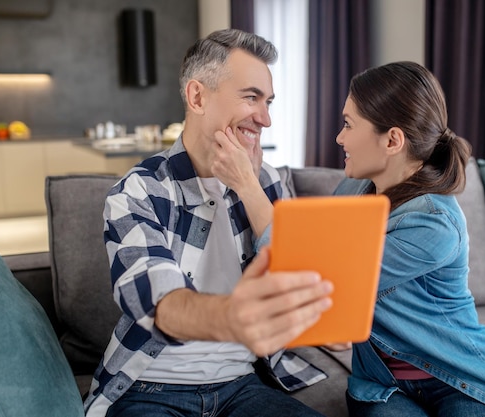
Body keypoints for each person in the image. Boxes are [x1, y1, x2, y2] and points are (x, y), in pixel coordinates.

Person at [83, 29, 334, 417]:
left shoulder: (267, 181)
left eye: (268, 102)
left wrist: (248, 186)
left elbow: (303, 274)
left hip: (242, 384)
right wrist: (230, 318)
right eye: (251, 97)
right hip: (151, 386)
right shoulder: (139, 191)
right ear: (197, 96)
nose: (265, 118)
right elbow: (157, 302)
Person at [333, 61, 485, 417]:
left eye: (348, 124)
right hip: (382, 386)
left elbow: (334, 277)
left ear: (392, 140)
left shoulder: (433, 221)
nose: (339, 137)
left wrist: (247, 186)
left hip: (461, 380)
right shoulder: (352, 191)